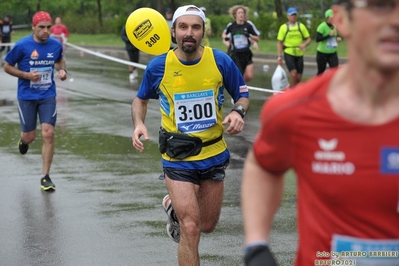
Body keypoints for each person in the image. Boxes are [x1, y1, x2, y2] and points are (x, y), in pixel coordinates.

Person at [242, 1, 399, 266]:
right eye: (380, 5)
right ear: (341, 20)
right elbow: (263, 165)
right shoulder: (294, 110)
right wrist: (257, 246)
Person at [131, 5, 250, 265]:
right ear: (173, 31)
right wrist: (139, 123)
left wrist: (238, 111)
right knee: (191, 227)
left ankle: (172, 206)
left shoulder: (220, 61)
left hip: (214, 153)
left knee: (206, 224)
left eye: (195, 27)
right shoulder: (158, 66)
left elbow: (242, 95)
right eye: (183, 27)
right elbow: (140, 100)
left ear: (203, 32)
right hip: (177, 156)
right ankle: (180, 212)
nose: (189, 32)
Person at [3, 11, 67, 191]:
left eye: (48, 27)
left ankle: (45, 176)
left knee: (48, 133)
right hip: (27, 97)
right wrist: (26, 75)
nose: (46, 31)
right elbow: (7, 66)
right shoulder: (22, 45)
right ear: (33, 27)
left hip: (48, 95)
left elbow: (60, 61)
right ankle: (23, 140)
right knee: (30, 136)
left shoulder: (55, 45)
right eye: (42, 27)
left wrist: (62, 71)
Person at [222, 5, 260, 83]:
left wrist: (249, 35)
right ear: (235, 15)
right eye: (239, 13)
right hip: (236, 55)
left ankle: (241, 84)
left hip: (246, 54)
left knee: (249, 75)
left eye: (242, 13)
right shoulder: (231, 26)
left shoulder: (248, 25)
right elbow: (224, 34)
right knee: (239, 75)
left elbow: (257, 38)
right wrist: (226, 38)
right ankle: (240, 88)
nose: (241, 14)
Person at [276, 7, 311, 88]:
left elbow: (308, 39)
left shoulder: (301, 26)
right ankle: (291, 93)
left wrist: (304, 44)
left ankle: (295, 91)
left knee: (298, 77)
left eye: (295, 15)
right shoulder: (284, 27)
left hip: (299, 53)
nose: (293, 16)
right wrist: (279, 56)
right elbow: (279, 43)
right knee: (293, 73)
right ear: (288, 16)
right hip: (289, 52)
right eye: (292, 15)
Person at [315, 9, 342, 75]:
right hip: (322, 53)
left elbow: (332, 38)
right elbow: (317, 39)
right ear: (327, 18)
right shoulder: (322, 26)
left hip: (332, 53)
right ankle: (318, 85)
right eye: (331, 17)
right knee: (321, 72)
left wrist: (337, 39)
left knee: (335, 71)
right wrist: (328, 35)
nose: (333, 19)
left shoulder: (334, 26)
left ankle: (332, 85)